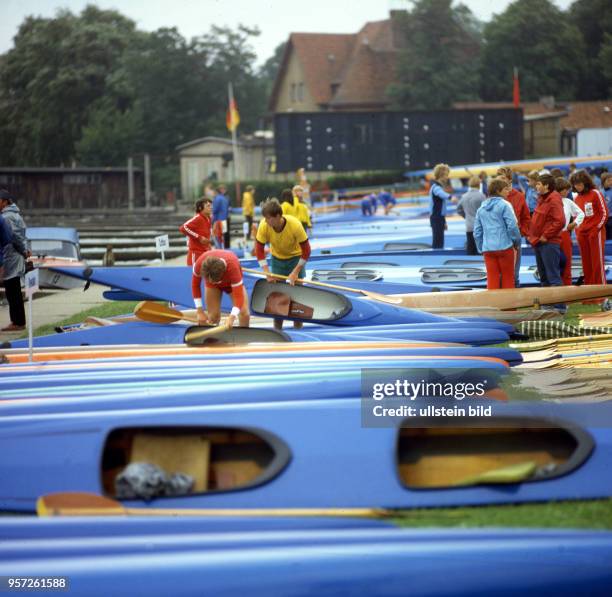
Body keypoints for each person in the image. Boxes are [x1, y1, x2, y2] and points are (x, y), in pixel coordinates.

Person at [254, 198, 311, 330]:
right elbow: (259, 251)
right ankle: (277, 329)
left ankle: (298, 328)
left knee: (297, 295)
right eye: (265, 218)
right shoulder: (264, 225)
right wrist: (267, 273)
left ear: (278, 216)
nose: (266, 221)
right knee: (277, 295)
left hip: (295, 258)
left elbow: (307, 251)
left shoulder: (295, 225)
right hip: (277, 259)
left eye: (269, 218)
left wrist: (295, 272)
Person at [473, 178, 521, 289]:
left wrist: (481, 248)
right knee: (508, 278)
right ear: (498, 191)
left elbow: (477, 232)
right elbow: (512, 226)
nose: (508, 191)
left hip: (488, 249)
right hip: (505, 247)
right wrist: (516, 242)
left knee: (492, 279)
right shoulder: (505, 205)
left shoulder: (481, 208)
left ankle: (493, 305)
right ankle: (510, 306)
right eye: (505, 189)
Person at [191, 249, 249, 329]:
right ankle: (212, 340)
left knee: (244, 314)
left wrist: (232, 317)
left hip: (231, 283)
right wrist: (200, 312)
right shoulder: (199, 264)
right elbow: (195, 285)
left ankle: (244, 338)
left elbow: (239, 298)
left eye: (215, 281)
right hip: (212, 285)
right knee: (213, 317)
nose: (214, 282)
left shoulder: (233, 267)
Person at [527, 173, 565, 294]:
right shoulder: (542, 198)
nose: (536, 186)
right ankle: (548, 305)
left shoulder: (553, 199)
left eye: (538, 184)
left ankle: (558, 307)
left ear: (546, 185)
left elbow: (560, 221)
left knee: (552, 277)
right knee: (543, 276)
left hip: (548, 243)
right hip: (539, 242)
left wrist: (546, 236)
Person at [570, 169, 608, 288]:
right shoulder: (576, 199)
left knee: (597, 263)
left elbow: (605, 213)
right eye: (576, 184)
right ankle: (589, 294)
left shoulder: (595, 193)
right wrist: (578, 231)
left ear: (585, 182)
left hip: (596, 233)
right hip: (582, 235)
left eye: (580, 184)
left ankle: (601, 292)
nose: (578, 186)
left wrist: (596, 229)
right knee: (586, 263)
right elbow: (576, 218)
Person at [497, 167, 530, 287]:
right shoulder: (493, 196)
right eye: (498, 178)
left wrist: (521, 232)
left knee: (514, 274)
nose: (499, 180)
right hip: (498, 239)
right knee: (499, 273)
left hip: (514, 240)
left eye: (503, 178)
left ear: (510, 180)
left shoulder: (519, 196)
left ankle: (514, 303)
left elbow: (526, 217)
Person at [0, 189, 28, 331]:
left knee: (13, 291)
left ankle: (17, 322)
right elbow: (23, 234)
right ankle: (18, 321)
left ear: (5, 201)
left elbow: (15, 237)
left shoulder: (7, 217)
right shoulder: (15, 214)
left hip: (12, 256)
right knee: (13, 290)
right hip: (15, 256)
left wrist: (23, 251)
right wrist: (25, 250)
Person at [555, 177, 584, 286]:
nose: (568, 192)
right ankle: (555, 291)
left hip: (565, 235)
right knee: (555, 264)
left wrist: (574, 223)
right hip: (553, 236)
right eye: (565, 190)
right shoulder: (551, 201)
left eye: (568, 190)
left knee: (567, 263)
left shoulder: (568, 202)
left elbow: (581, 213)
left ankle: (566, 291)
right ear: (559, 189)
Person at [456, 176, 485, 255]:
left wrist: (466, 216)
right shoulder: (481, 196)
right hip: (480, 226)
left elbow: (458, 209)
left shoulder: (464, 196)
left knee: (470, 248)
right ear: (479, 185)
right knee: (481, 249)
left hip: (469, 226)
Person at [179, 198, 212, 265]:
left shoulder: (208, 218)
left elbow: (205, 234)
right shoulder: (198, 218)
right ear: (200, 208)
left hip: (205, 252)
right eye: (208, 206)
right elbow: (183, 227)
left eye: (211, 205)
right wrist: (199, 237)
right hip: (195, 254)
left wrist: (208, 245)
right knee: (193, 274)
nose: (211, 208)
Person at [429, 163, 452, 249]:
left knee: (440, 241)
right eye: (446, 175)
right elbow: (441, 194)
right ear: (441, 175)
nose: (447, 177)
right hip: (436, 217)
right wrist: (450, 197)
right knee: (437, 241)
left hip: (440, 217)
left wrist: (444, 221)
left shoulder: (438, 186)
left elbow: (442, 208)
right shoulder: (435, 187)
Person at [212, 185, 230, 249]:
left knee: (218, 236)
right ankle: (224, 249)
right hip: (225, 219)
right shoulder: (225, 198)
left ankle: (219, 249)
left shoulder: (217, 198)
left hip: (218, 220)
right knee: (223, 236)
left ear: (216, 192)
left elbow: (214, 210)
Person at [601, 172, 612, 240]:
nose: (611, 182)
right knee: (605, 238)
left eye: (611, 180)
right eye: (608, 180)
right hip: (603, 219)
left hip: (611, 218)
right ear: (603, 182)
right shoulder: (600, 192)